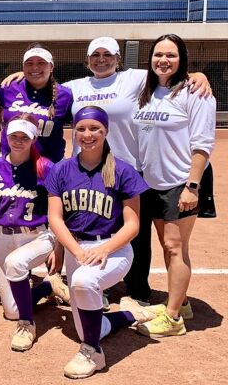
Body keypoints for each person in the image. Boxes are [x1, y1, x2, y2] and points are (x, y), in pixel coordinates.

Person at [3, 37, 212, 305]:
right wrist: (25, 72)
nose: (101, 60)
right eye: (95, 55)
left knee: (134, 233)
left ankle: (137, 291)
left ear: (118, 58)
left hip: (126, 167)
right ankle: (98, 285)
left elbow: (166, 69)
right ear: (87, 60)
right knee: (90, 222)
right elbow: (44, 82)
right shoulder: (75, 87)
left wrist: (197, 75)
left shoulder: (135, 79)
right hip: (85, 167)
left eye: (108, 54)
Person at [46, 106, 155, 379]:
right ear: (74, 132)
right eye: (81, 129)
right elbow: (55, 218)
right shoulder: (61, 170)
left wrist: (104, 249)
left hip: (113, 248)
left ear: (106, 131)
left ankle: (93, 353)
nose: (88, 134)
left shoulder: (123, 170)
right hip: (77, 248)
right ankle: (127, 316)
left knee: (84, 283)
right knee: (86, 326)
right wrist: (74, 251)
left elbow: (133, 225)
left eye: (95, 128)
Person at [134, 34, 216, 337]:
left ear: (182, 59)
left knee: (175, 246)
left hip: (181, 181)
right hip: (152, 182)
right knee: (167, 246)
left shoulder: (196, 93)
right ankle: (180, 303)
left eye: (171, 55)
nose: (163, 60)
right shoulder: (148, 90)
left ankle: (173, 319)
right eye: (158, 54)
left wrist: (192, 187)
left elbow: (203, 144)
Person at [0, 117, 69, 350]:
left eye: (24, 137)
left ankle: (27, 324)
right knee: (11, 311)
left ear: (34, 139)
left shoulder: (46, 168)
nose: (18, 141)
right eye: (14, 136)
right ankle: (48, 286)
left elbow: (58, 211)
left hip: (36, 235)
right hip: (2, 235)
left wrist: (58, 246)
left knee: (16, 263)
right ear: (6, 137)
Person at [0, 44, 73, 163]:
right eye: (29, 63)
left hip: (50, 165)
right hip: (10, 164)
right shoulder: (9, 87)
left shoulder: (65, 95)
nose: (35, 67)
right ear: (23, 67)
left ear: (51, 67)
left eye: (41, 63)